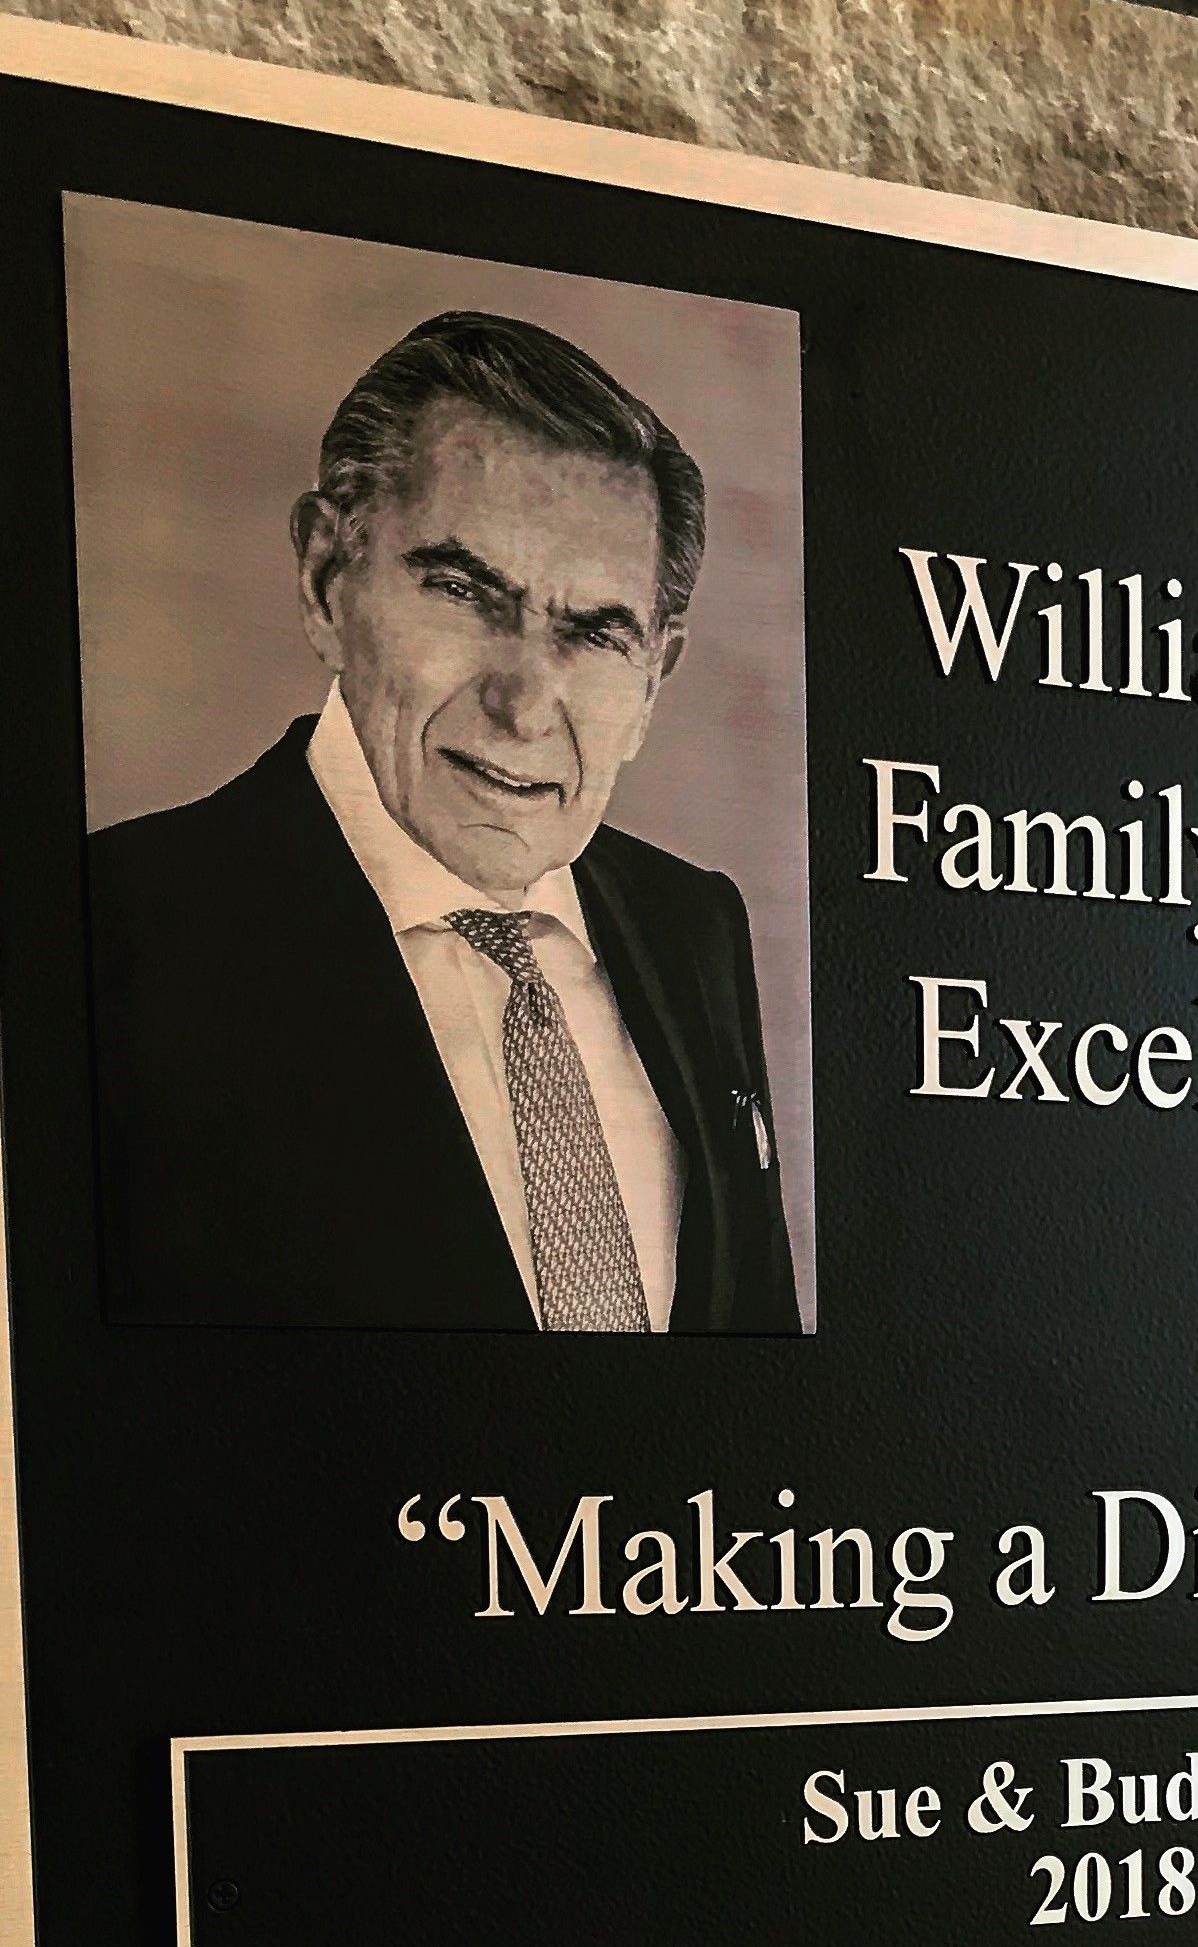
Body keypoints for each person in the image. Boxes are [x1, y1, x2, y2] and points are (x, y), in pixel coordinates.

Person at [85, 308, 800, 1333]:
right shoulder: (113, 932)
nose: (523, 703)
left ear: (655, 679)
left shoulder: (694, 927)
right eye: (467, 595)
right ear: (327, 577)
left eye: (597, 636)